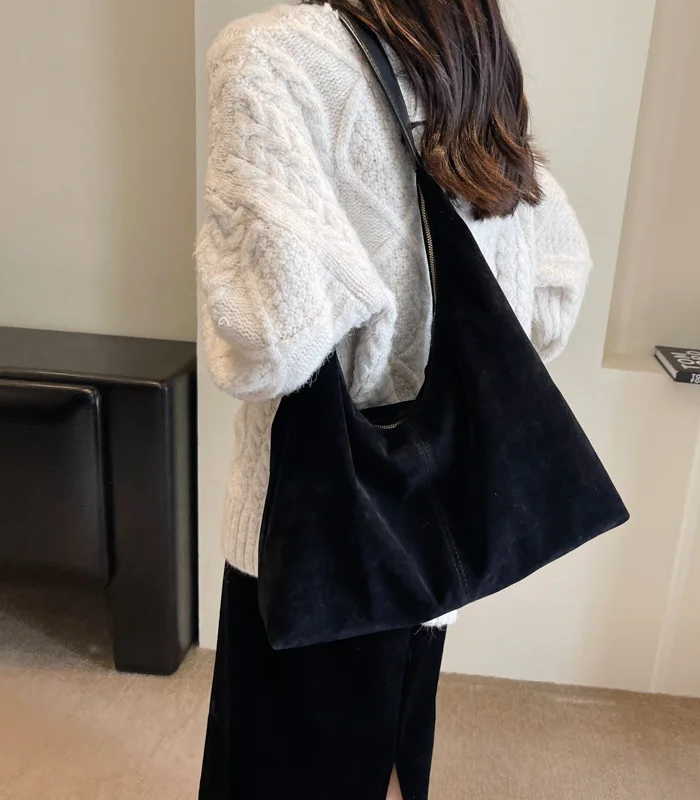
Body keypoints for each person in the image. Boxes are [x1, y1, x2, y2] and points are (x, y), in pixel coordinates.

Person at [196, 1, 593, 798]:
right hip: (437, 528)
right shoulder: (468, 56)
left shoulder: (268, 54)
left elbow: (272, 339)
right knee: (385, 757)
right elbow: (557, 290)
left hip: (313, 530)